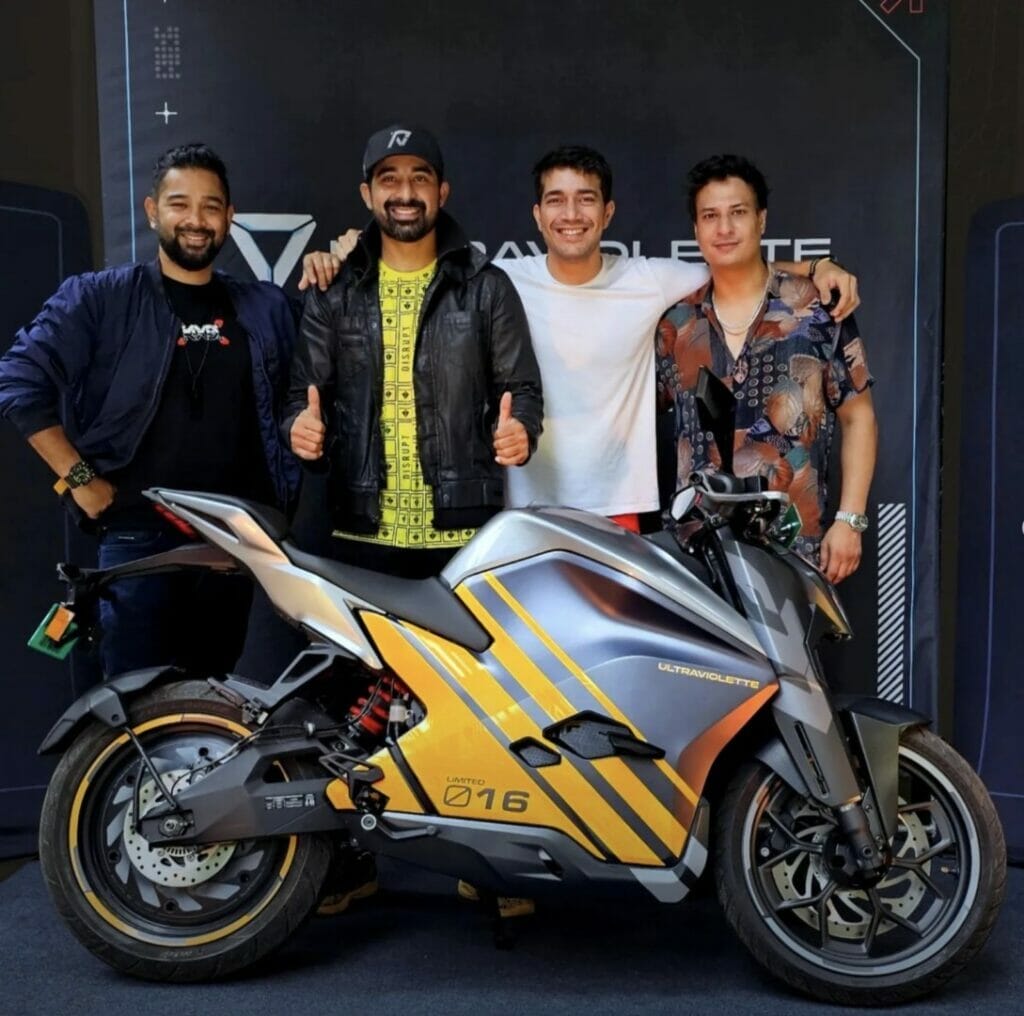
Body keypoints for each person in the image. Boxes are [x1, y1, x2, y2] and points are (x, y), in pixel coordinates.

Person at [305, 145, 857, 536]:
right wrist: (343, 255)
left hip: (621, 511)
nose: (571, 214)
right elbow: (411, 266)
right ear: (537, 215)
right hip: (523, 511)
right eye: (557, 201)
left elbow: (737, 261)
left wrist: (818, 265)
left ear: (608, 212)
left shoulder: (651, 280)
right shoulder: (498, 282)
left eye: (586, 199)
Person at [0, 142, 300, 676]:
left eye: (211, 207)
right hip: (140, 540)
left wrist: (341, 254)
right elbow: (18, 381)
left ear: (229, 218)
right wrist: (79, 478)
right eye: (180, 204)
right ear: (152, 210)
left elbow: (320, 359)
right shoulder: (101, 298)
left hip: (231, 546)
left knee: (211, 707)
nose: (196, 220)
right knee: (135, 710)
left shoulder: (265, 307)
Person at [284, 124, 542, 579]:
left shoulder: (487, 288)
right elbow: (298, 400)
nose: (405, 192)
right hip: (355, 535)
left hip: (465, 540)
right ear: (367, 193)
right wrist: (299, 428)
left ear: (442, 191)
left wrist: (520, 429)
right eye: (389, 179)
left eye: (419, 178)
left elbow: (521, 390)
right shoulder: (334, 291)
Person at [656, 154, 877, 581]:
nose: (724, 228)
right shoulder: (675, 324)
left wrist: (850, 521)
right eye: (710, 216)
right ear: (696, 230)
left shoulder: (817, 309)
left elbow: (859, 417)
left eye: (737, 213)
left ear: (761, 220)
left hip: (795, 550)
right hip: (696, 558)